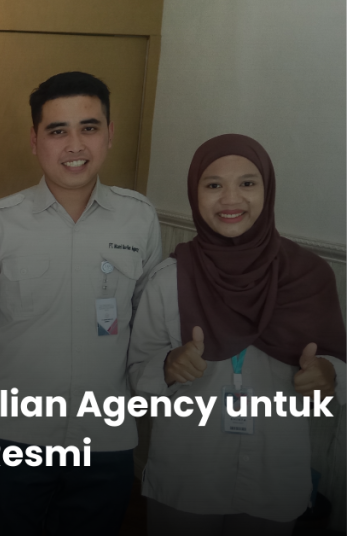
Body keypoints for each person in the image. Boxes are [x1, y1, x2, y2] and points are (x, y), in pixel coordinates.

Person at [0, 71, 163, 534]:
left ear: (109, 134)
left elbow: (149, 331)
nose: (75, 145)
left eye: (89, 128)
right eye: (57, 131)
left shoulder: (139, 218)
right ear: (35, 140)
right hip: (10, 439)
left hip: (105, 441)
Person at [128, 134, 345, 535]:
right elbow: (137, 373)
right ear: (195, 194)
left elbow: (338, 367)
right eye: (213, 184)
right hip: (189, 475)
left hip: (273, 474)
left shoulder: (309, 276)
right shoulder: (169, 279)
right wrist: (168, 367)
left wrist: (330, 375)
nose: (231, 199)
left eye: (247, 183)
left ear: (268, 188)